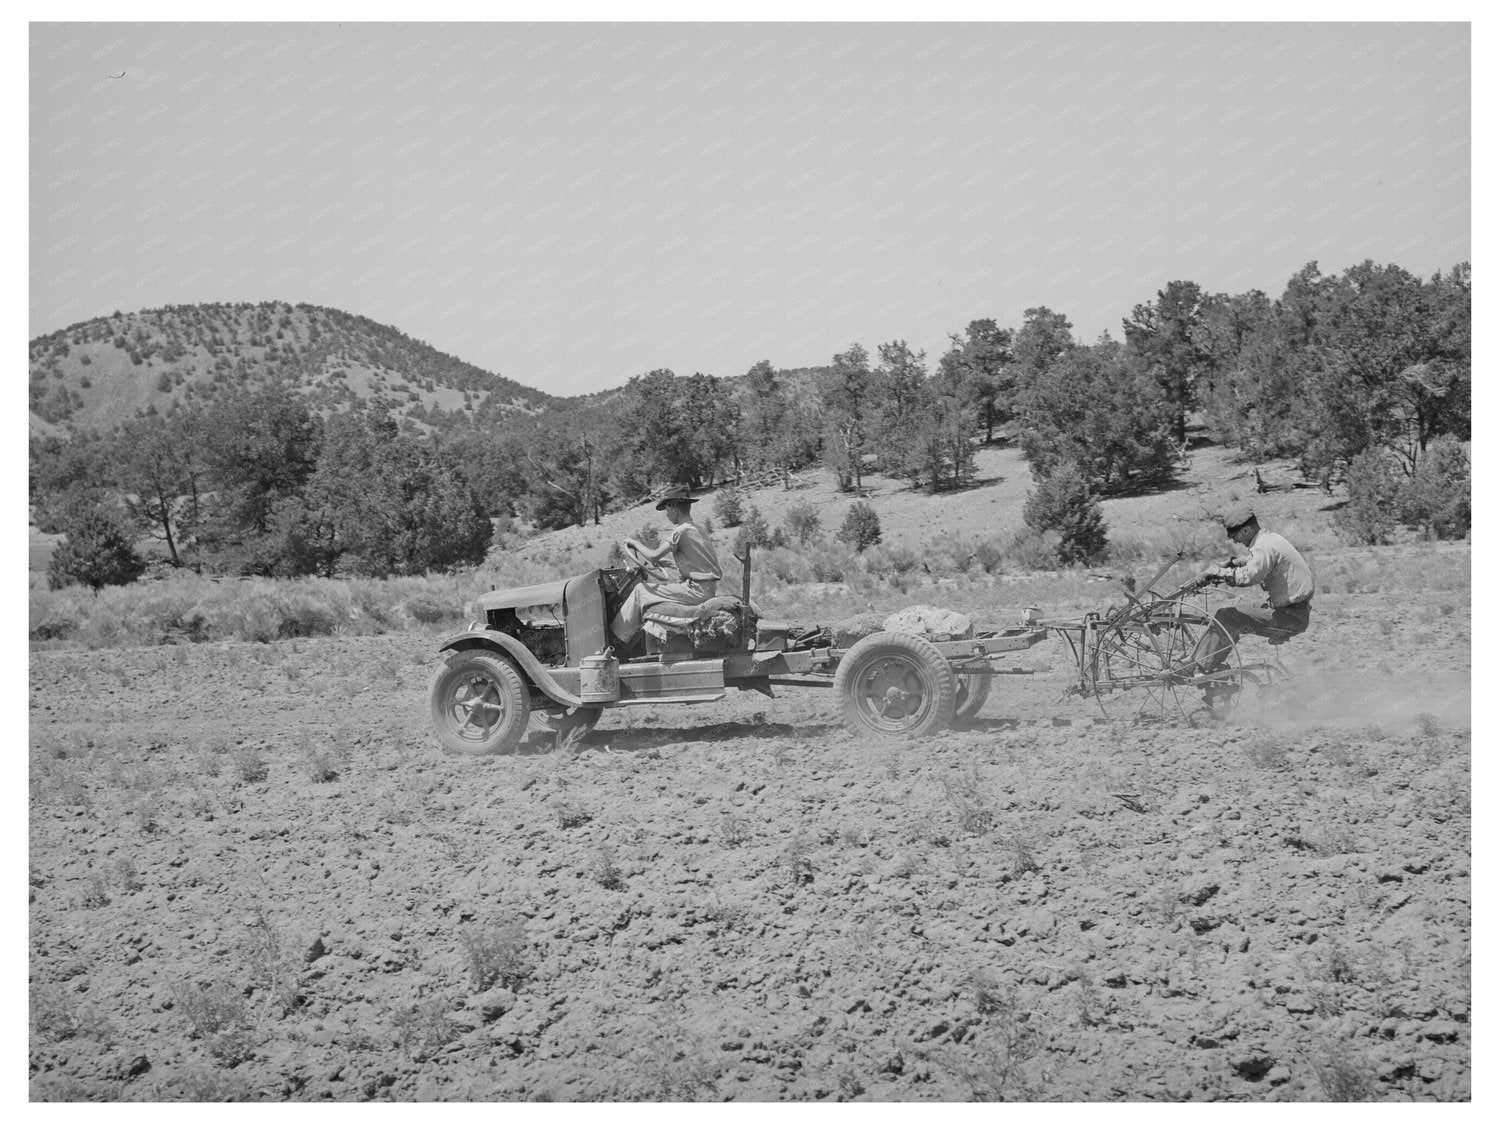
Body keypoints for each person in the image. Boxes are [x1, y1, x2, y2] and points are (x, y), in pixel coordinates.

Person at [1195, 504, 1314, 669]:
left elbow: (1251, 576)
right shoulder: (1269, 539)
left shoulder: (1263, 545)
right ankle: (1210, 666)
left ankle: (1198, 667)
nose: (1234, 540)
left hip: (1289, 617)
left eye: (1234, 535)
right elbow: (1257, 561)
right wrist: (1235, 563)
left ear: (1245, 531)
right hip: (1295, 612)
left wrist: (1218, 573)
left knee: (1226, 616)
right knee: (1233, 615)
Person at [610, 485, 723, 643]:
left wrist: (634, 543)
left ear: (675, 509)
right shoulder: (697, 529)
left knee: (639, 590)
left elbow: (653, 556)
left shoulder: (680, 531)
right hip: (706, 589)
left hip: (695, 591)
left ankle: (616, 640)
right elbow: (698, 564)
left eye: (667, 510)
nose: (667, 515)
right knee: (649, 589)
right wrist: (669, 563)